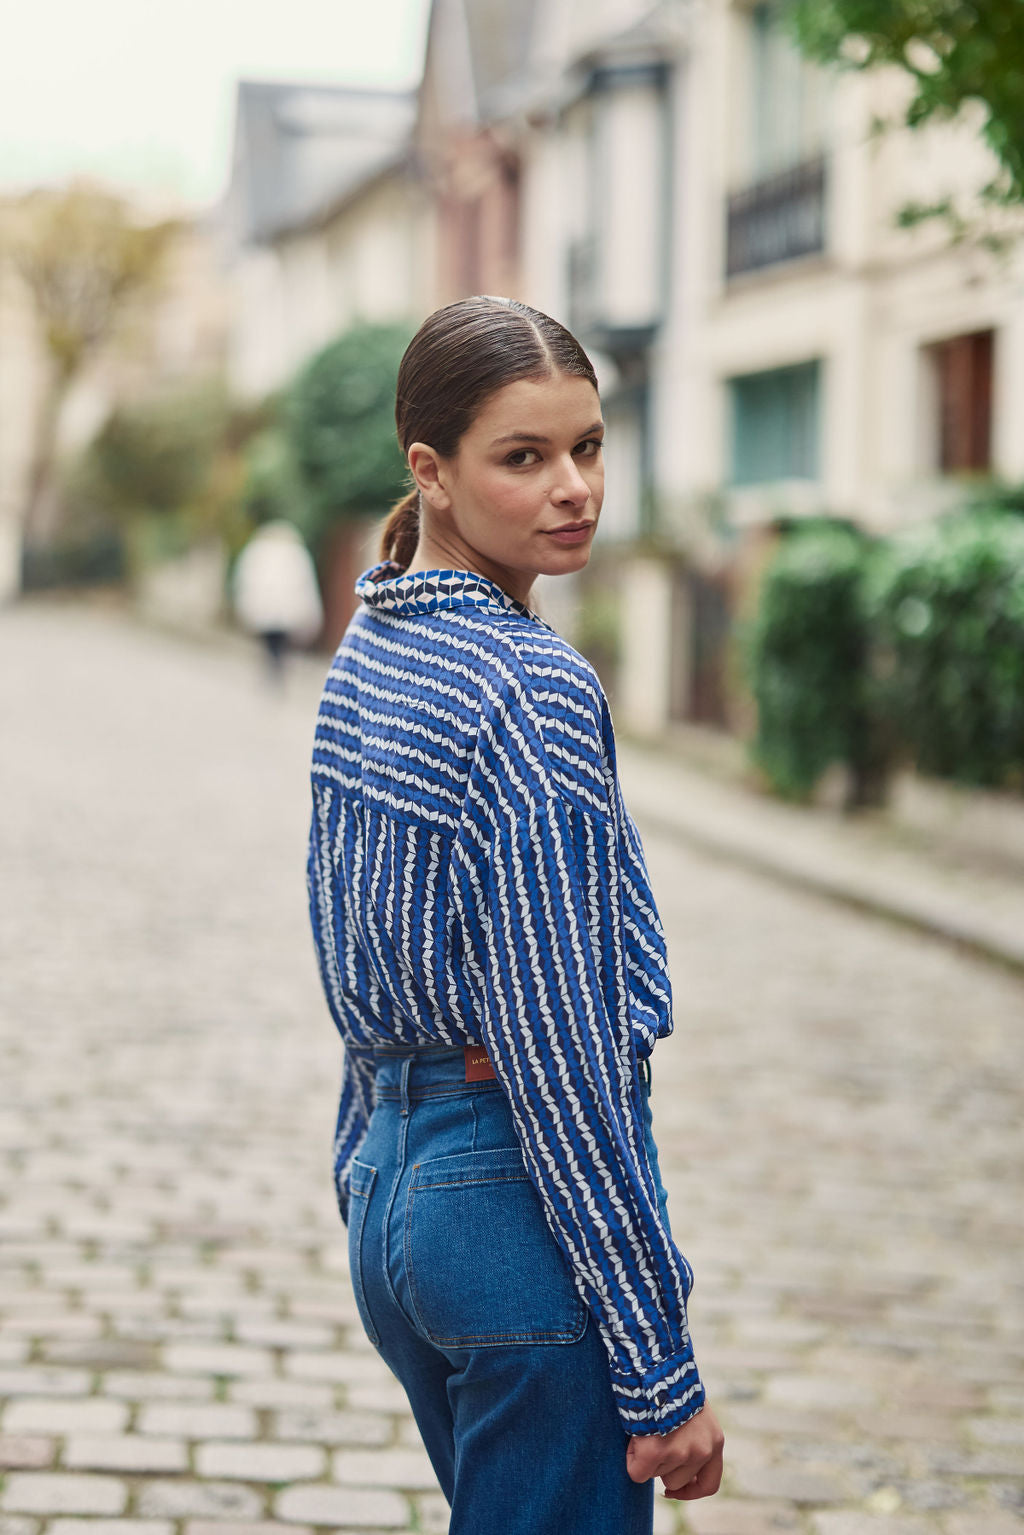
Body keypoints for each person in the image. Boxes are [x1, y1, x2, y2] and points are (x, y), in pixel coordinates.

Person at [306, 296, 723, 1534]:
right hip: (513, 1222)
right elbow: (560, 1044)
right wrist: (656, 1359)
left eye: (588, 447)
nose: (573, 488)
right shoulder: (528, 684)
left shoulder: (368, 646)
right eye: (524, 457)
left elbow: (354, 946)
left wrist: (371, 1170)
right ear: (429, 472)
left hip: (400, 1209)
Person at [232, 518, 323, 682]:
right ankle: (276, 667)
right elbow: (305, 584)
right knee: (279, 641)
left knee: (270, 641)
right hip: (286, 611)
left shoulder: (258, 550)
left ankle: (272, 667)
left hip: (266, 608)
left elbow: (246, 580)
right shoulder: (296, 552)